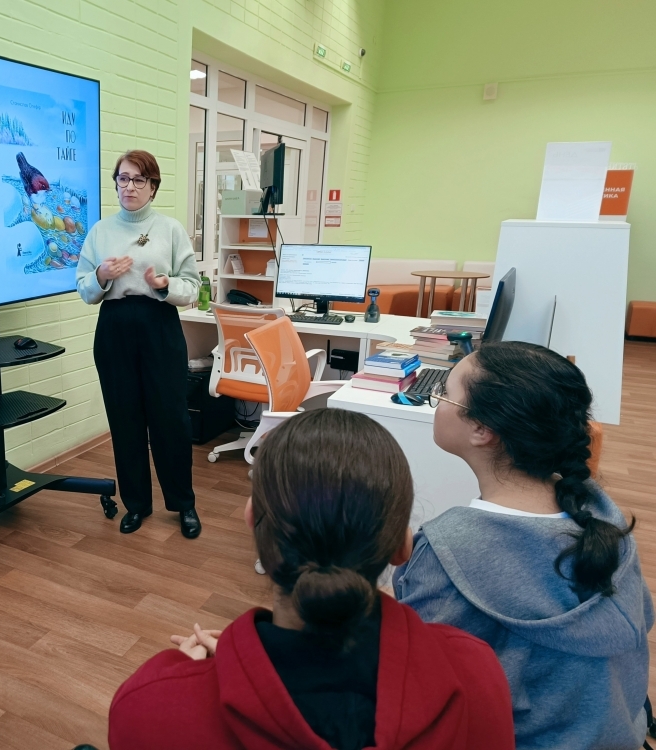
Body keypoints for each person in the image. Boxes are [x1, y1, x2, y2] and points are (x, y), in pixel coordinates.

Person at [108, 409, 515, 750]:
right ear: (402, 546)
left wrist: (186, 679)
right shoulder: (476, 677)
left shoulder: (148, 710)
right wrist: (237, 668)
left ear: (253, 520)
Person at [394, 341, 654, 750]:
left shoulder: (446, 554)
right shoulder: (602, 516)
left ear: (482, 430)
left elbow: (421, 686)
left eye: (445, 391)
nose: (437, 399)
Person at [76, 150, 201, 538]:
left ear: (153, 186)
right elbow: (84, 289)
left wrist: (165, 284)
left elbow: (192, 287)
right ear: (116, 183)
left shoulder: (170, 229)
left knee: (171, 420)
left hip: (159, 324)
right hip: (114, 327)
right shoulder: (100, 231)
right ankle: (136, 504)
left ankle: (183, 504)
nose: (129, 186)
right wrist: (101, 275)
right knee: (124, 420)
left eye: (139, 180)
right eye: (123, 178)